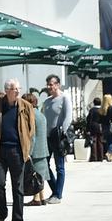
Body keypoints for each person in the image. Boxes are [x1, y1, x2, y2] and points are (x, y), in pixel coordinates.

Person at [0, 79, 35, 221]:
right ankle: (2, 212)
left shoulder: (26, 106)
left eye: (18, 89)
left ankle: (18, 220)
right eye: (15, 89)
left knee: (18, 187)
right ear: (7, 90)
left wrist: (26, 148)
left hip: (17, 151)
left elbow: (31, 129)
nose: (18, 91)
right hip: (0, 150)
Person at [41, 75, 72, 203]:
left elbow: (68, 117)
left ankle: (58, 195)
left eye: (52, 84)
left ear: (58, 85)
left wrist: (62, 132)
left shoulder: (64, 98)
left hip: (58, 137)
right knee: (44, 165)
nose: (49, 87)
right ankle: (54, 190)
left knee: (59, 166)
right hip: (47, 137)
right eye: (48, 84)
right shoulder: (47, 101)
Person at [24, 92, 49, 206]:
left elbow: (32, 136)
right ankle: (42, 197)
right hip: (43, 149)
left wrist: (28, 152)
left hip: (35, 151)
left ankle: (36, 198)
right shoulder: (41, 114)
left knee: (34, 175)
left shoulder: (30, 116)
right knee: (40, 175)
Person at [87, 98, 105, 162]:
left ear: (94, 103)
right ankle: (101, 157)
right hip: (101, 126)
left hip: (93, 126)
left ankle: (94, 157)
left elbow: (89, 120)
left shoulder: (92, 110)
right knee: (100, 142)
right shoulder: (102, 109)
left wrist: (88, 129)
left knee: (93, 141)